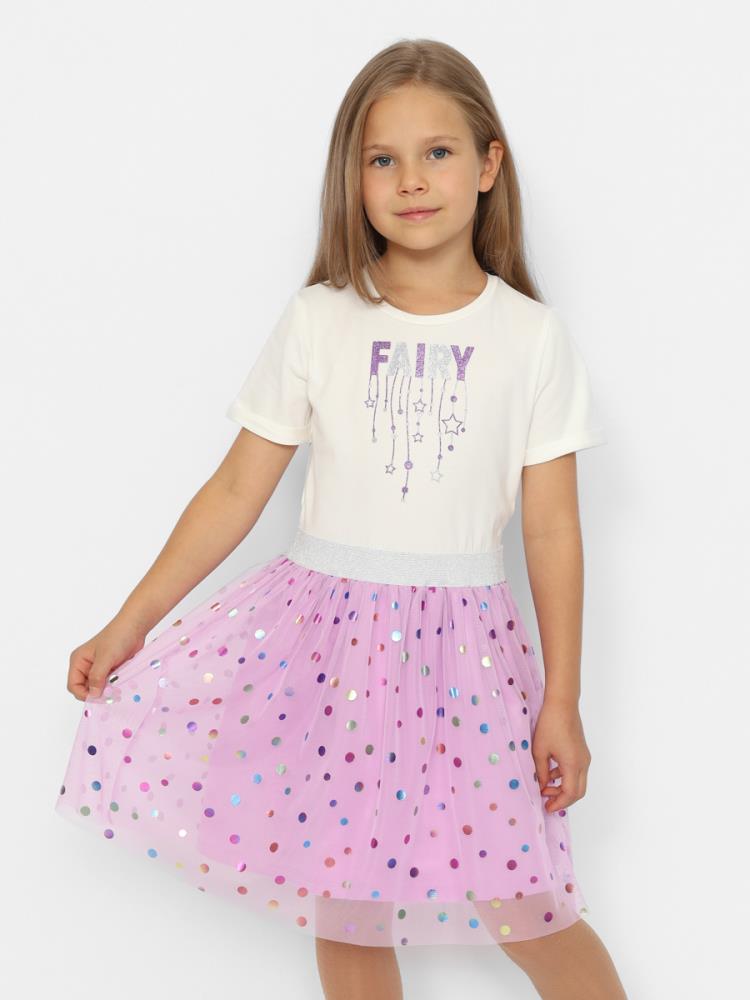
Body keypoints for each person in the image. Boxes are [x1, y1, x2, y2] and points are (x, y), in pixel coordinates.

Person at [55, 37, 628, 1000]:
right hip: (329, 654)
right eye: (382, 159)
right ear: (353, 179)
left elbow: (553, 532)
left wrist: (561, 699)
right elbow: (235, 492)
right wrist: (131, 622)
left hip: (467, 660)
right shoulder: (321, 318)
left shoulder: (531, 337)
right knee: (349, 903)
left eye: (438, 152)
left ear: (489, 165)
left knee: (522, 900)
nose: (412, 180)